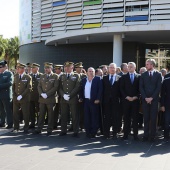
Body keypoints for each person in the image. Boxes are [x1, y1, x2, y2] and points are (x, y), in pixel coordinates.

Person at [140, 59, 162, 142]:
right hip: (145, 100)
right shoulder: (143, 75)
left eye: (148, 64)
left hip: (154, 100)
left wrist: (152, 97)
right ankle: (145, 135)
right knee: (146, 118)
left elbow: (158, 87)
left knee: (153, 118)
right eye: (146, 64)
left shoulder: (158, 74)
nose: (146, 65)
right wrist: (145, 97)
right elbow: (141, 87)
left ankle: (152, 135)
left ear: (152, 65)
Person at [34, 62, 59, 136]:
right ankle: (39, 129)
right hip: (42, 99)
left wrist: (47, 94)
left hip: (51, 99)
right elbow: (39, 86)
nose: (46, 69)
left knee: (50, 115)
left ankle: (49, 130)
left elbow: (55, 87)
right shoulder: (42, 76)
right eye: (45, 68)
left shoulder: (55, 76)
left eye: (47, 68)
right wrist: (41, 93)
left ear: (51, 68)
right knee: (41, 114)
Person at [79, 67, 103, 138]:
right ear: (86, 72)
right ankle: (88, 131)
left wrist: (98, 98)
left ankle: (94, 132)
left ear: (94, 72)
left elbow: (100, 90)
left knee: (94, 117)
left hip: (94, 101)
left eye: (92, 71)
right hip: (86, 101)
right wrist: (81, 98)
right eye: (89, 71)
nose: (91, 72)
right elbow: (81, 90)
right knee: (87, 117)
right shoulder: (84, 80)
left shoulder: (98, 79)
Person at [59, 62, 80, 137]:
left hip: (73, 98)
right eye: (65, 67)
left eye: (69, 67)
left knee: (74, 115)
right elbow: (59, 87)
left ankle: (75, 131)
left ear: (72, 67)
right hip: (64, 98)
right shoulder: (62, 76)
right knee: (64, 115)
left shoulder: (76, 76)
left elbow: (77, 87)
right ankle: (63, 130)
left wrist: (70, 95)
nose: (66, 68)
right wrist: (63, 95)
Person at [120, 62, 140, 141]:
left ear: (135, 68)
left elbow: (140, 88)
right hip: (126, 101)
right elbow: (121, 88)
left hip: (135, 101)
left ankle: (135, 135)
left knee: (135, 119)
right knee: (126, 118)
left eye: (131, 67)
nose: (130, 68)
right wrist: (126, 96)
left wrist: (136, 96)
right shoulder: (124, 77)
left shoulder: (139, 76)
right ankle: (125, 134)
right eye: (128, 67)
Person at [102, 63, 121, 139]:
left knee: (115, 117)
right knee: (107, 117)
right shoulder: (104, 78)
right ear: (108, 69)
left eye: (113, 68)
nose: (112, 69)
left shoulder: (119, 78)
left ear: (116, 69)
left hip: (116, 101)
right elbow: (102, 90)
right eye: (110, 67)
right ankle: (106, 133)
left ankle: (115, 132)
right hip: (106, 101)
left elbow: (120, 90)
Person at [13, 63, 32, 133]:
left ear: (23, 69)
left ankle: (26, 127)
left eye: (19, 68)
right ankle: (16, 127)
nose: (17, 69)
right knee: (15, 113)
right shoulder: (15, 76)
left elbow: (28, 88)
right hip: (16, 98)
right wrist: (15, 95)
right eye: (17, 68)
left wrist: (21, 95)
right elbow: (13, 87)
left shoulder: (28, 77)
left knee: (25, 113)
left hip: (24, 98)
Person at [0, 60, 14, 128]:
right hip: (0, 95)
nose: (0, 69)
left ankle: (10, 123)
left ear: (5, 67)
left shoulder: (9, 73)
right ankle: (2, 122)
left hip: (6, 95)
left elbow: (10, 83)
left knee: (8, 110)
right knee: (1, 110)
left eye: (1, 67)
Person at [74, 62, 87, 131]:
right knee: (74, 112)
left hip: (81, 96)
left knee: (82, 112)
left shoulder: (84, 76)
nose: (81, 68)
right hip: (74, 96)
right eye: (80, 67)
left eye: (81, 67)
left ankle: (82, 125)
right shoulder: (73, 75)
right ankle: (74, 125)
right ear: (76, 68)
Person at [29, 63, 42, 128]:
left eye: (33, 68)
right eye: (32, 68)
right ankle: (32, 123)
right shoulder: (29, 75)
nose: (32, 69)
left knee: (39, 111)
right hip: (31, 96)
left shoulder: (41, 75)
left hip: (38, 96)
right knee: (31, 111)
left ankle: (39, 123)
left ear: (37, 68)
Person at [53, 64, 63, 129]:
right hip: (55, 96)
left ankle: (62, 123)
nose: (56, 70)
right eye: (55, 69)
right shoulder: (54, 76)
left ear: (60, 69)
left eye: (57, 69)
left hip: (62, 96)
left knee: (63, 111)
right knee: (55, 111)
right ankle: (54, 124)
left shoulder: (63, 75)